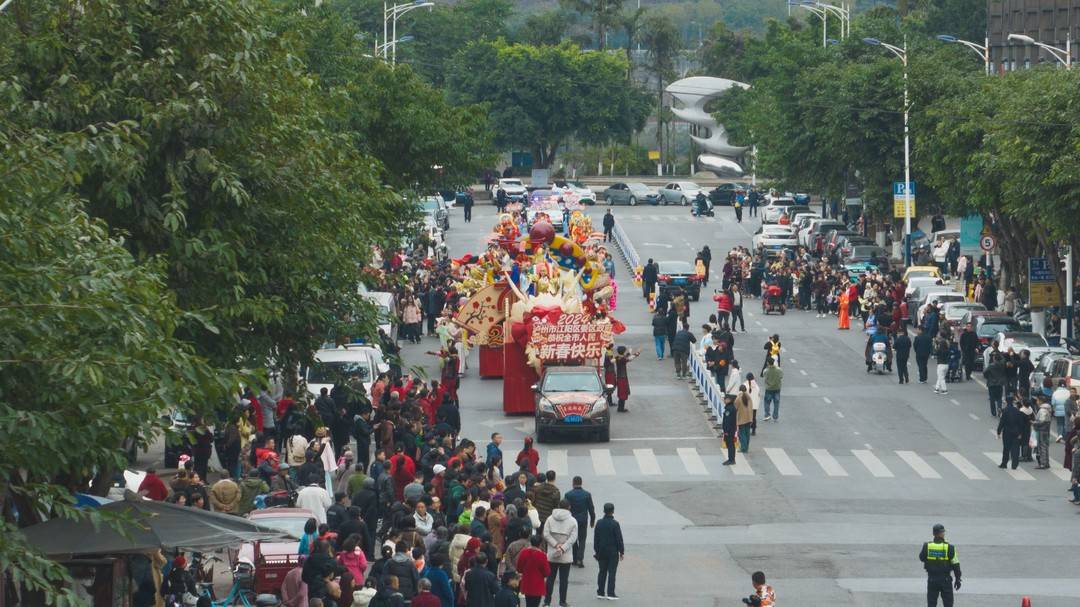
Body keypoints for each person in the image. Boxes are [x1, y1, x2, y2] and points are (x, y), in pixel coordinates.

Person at [542, 500, 578, 607]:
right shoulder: (572, 521)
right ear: (569, 507)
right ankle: (562, 602)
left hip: (552, 553)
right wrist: (563, 548)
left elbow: (546, 534)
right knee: (564, 580)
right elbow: (573, 538)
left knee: (550, 579)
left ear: (558, 506)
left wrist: (555, 544)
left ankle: (547, 602)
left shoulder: (550, 518)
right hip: (565, 555)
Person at [919, 524, 961, 607]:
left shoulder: (927, 546)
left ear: (933, 534)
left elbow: (921, 558)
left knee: (931, 604)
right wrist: (958, 579)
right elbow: (956, 565)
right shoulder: (950, 548)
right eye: (943, 532)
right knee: (948, 604)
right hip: (945, 580)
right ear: (941, 533)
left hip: (932, 579)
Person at [592, 502, 624, 600]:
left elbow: (596, 538)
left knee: (602, 572)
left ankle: (600, 592)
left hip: (601, 551)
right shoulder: (615, 524)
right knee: (612, 572)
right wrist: (621, 551)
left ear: (604, 511)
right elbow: (619, 539)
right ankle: (610, 593)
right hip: (612, 552)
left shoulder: (599, 522)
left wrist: (597, 551)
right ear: (613, 511)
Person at [563, 476, 595, 568]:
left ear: (573, 483)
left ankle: (575, 557)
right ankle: (580, 559)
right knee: (582, 540)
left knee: (572, 539)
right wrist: (592, 521)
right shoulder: (587, 494)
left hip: (571, 520)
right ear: (581, 483)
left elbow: (565, 508)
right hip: (583, 520)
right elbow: (591, 509)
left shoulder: (568, 494)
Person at [515, 535, 550, 607]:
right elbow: (547, 572)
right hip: (537, 585)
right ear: (540, 544)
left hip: (527, 583)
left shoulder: (524, 552)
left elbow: (519, 568)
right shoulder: (542, 555)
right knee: (535, 604)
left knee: (528, 603)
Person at [997, 398, 1026, 470]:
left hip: (1007, 432)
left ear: (1006, 402)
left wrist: (998, 431)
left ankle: (1004, 463)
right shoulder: (1017, 411)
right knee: (1015, 448)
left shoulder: (1005, 411)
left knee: (1006, 448)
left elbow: (1002, 422)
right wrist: (1020, 433)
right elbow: (1021, 423)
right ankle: (1014, 465)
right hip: (1016, 432)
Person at [613, 346, 639, 413]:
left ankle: (620, 407)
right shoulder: (622, 359)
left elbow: (626, 356)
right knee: (623, 392)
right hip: (622, 377)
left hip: (619, 377)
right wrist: (637, 354)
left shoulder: (617, 357)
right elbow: (629, 359)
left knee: (621, 392)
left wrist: (629, 352)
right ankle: (621, 408)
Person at [735, 386, 753, 453]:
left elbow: (735, 407)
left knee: (741, 434)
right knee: (747, 433)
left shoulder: (739, 398)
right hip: (749, 418)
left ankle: (743, 448)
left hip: (741, 419)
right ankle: (746, 447)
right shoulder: (749, 397)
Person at [721, 394, 738, 466]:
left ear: (729, 400)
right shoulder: (730, 407)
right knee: (730, 444)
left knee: (730, 445)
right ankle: (731, 459)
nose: (724, 400)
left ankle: (731, 459)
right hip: (731, 429)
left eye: (725, 399)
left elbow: (728, 421)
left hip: (729, 430)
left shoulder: (729, 409)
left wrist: (726, 431)